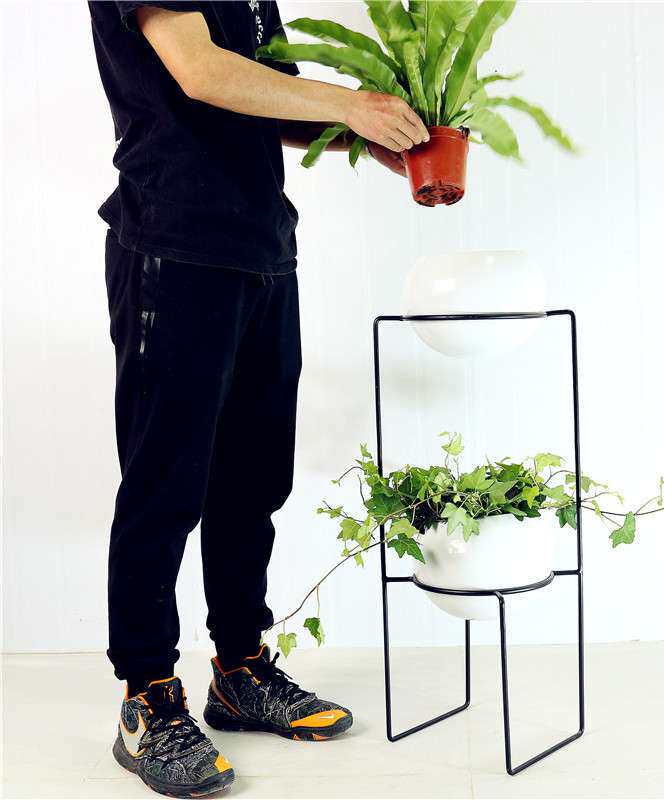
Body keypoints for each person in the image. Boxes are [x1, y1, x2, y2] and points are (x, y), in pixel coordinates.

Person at [88, 2, 429, 796]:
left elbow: (262, 91)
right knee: (164, 487)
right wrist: (351, 103)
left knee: (251, 481)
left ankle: (240, 671)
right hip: (173, 244)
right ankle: (147, 698)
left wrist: (363, 133)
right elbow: (202, 72)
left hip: (262, 248)